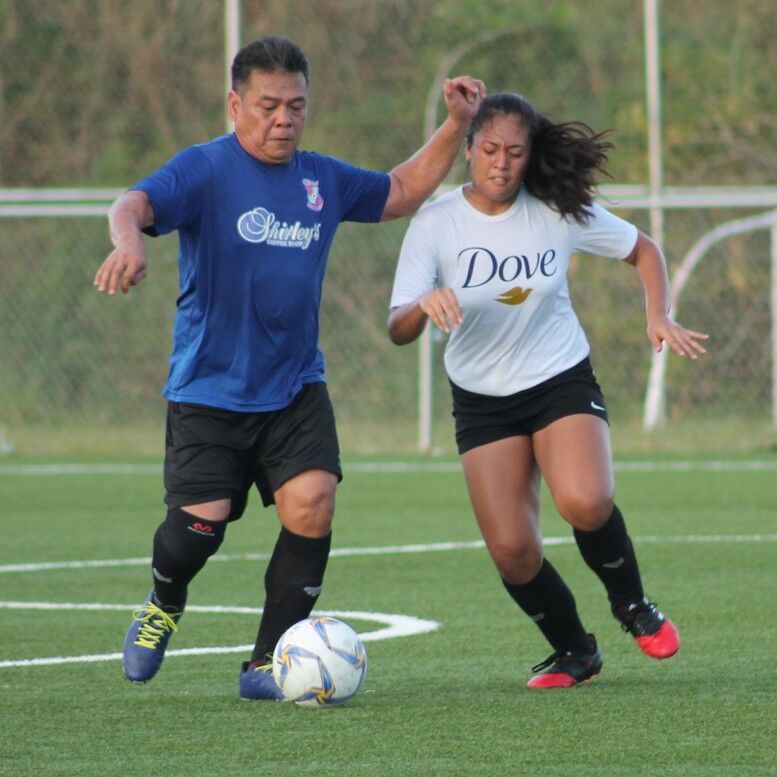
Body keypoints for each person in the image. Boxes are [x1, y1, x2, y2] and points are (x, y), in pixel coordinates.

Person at [94, 35, 486, 700]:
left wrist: (456, 123)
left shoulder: (320, 180)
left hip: (293, 386)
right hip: (209, 390)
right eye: (269, 105)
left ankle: (265, 663)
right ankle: (163, 602)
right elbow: (130, 204)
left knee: (312, 504)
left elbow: (400, 191)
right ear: (235, 104)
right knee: (197, 531)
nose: (284, 119)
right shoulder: (205, 170)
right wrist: (129, 243)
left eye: (296, 106)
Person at [387, 92, 708, 689]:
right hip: (482, 402)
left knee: (586, 500)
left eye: (514, 151)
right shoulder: (435, 223)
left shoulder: (554, 209)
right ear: (468, 150)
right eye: (489, 150)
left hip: (558, 379)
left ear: (529, 155)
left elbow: (643, 250)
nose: (501, 163)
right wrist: (421, 307)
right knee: (513, 551)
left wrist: (658, 313)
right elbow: (396, 327)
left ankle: (632, 604)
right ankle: (573, 650)